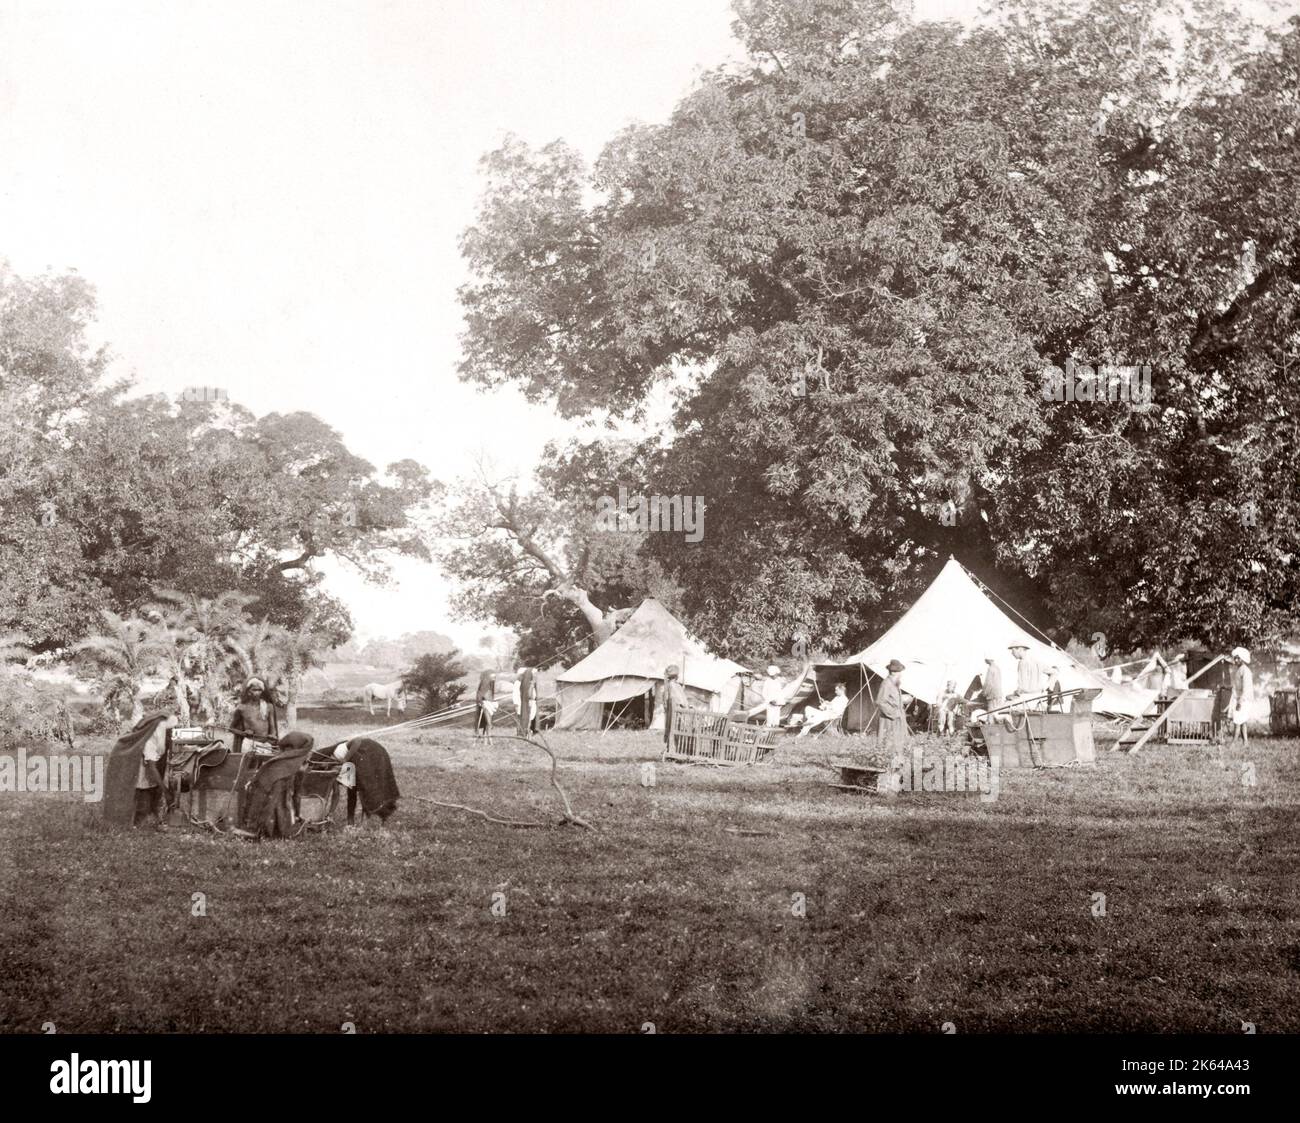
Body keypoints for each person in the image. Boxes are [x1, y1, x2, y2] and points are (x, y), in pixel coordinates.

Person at [103, 710, 178, 829]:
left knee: (147, 797)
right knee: (141, 800)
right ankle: (133, 823)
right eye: (169, 730)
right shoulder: (150, 742)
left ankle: (145, 819)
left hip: (145, 769)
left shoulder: (155, 737)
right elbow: (152, 768)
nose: (171, 733)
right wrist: (166, 791)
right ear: (161, 731)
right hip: (138, 770)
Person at [333, 738, 400, 826]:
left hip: (362, 759)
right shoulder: (337, 759)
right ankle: (351, 822)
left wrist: (345, 760)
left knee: (366, 788)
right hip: (352, 762)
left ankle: (368, 818)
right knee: (351, 791)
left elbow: (357, 741)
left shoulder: (339, 750)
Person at [229, 677, 279, 753]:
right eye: (254, 690)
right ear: (249, 692)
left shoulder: (268, 707)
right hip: (249, 744)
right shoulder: (242, 708)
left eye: (259, 690)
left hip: (265, 745)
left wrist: (272, 736)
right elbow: (231, 728)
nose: (257, 693)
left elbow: (272, 728)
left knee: (265, 764)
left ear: (262, 691)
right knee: (247, 764)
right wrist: (244, 733)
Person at [874, 660, 909, 750]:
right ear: (893, 672)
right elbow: (880, 701)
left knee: (896, 742)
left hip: (897, 718)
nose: (900, 675)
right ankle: (884, 760)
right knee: (887, 743)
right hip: (888, 719)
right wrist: (894, 714)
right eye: (899, 673)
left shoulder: (894, 685)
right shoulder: (886, 684)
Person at [1229, 647, 1253, 745]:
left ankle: (1233, 743)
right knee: (1242, 721)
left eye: (1238, 658)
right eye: (1235, 658)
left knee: (1237, 721)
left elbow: (1246, 688)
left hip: (1243, 699)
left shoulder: (1245, 671)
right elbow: (1236, 685)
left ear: (1242, 659)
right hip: (1239, 697)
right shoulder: (1239, 670)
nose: (1236, 660)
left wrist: (1240, 701)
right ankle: (1245, 742)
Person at [662, 664, 688, 748]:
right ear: (676, 676)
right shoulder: (673, 686)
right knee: (676, 729)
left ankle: (671, 748)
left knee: (672, 729)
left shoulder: (671, 686)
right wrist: (684, 705)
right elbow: (680, 700)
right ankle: (674, 749)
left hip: (673, 712)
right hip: (677, 713)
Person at [513, 666, 538, 736]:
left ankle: (528, 732)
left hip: (531, 702)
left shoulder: (530, 683)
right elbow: (516, 694)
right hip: (521, 703)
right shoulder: (518, 683)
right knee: (521, 718)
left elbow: (533, 694)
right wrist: (516, 704)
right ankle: (520, 733)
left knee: (530, 717)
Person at [475, 670, 497, 739]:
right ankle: (488, 739)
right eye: (493, 677)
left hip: (489, 704)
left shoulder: (491, 684)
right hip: (486, 705)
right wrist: (481, 702)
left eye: (495, 677)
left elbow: (490, 695)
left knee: (488, 723)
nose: (494, 678)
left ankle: (486, 739)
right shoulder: (485, 684)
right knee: (488, 723)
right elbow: (480, 695)